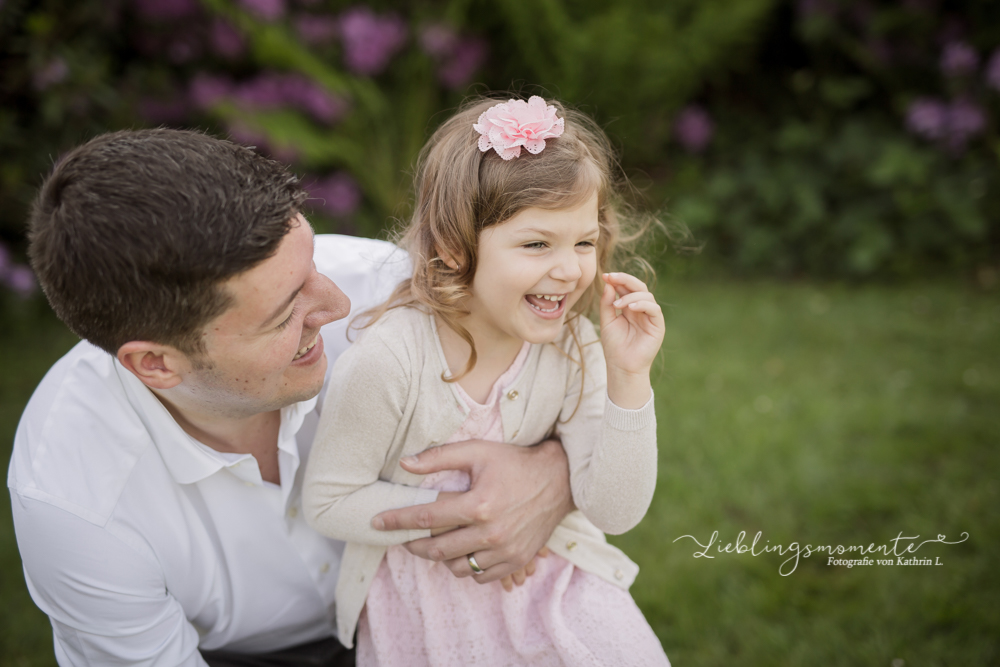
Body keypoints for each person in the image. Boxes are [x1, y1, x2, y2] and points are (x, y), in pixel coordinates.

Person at [8, 128, 577, 666]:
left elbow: (578, 374)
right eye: (285, 314)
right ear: (156, 363)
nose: (336, 306)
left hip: (430, 606)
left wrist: (552, 475)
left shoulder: (391, 291)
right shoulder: (75, 505)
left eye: (312, 263)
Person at [302, 96, 670, 665]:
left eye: (583, 241)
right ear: (453, 248)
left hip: (553, 589)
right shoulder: (390, 360)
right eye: (536, 244)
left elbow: (614, 511)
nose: (570, 269)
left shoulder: (576, 351)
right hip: (426, 613)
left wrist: (629, 377)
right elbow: (328, 501)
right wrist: (470, 519)